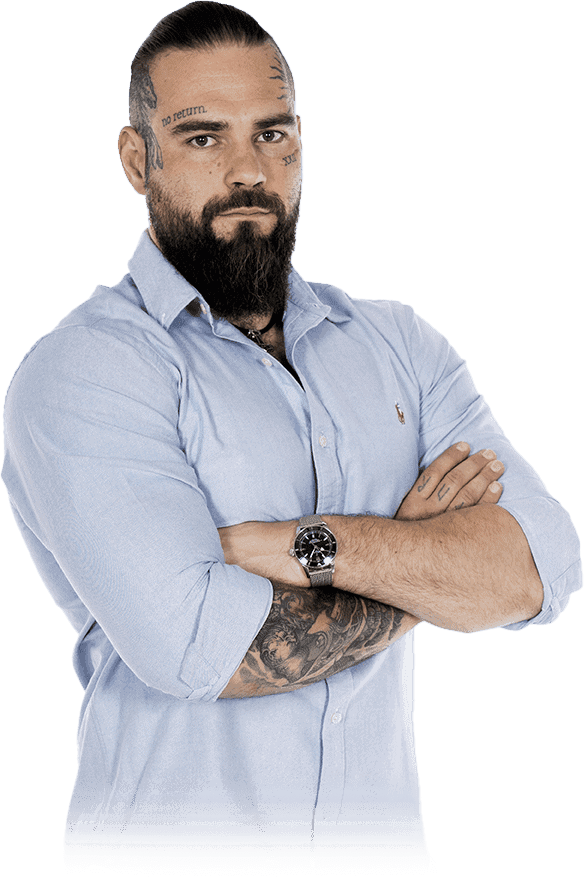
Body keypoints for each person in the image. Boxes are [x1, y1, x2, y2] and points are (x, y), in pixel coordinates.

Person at [1, 0, 581, 873]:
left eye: (272, 134)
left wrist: (299, 546)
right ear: (137, 159)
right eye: (203, 137)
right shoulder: (86, 369)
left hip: (380, 859)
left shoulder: (399, 345)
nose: (248, 170)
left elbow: (540, 570)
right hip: (167, 865)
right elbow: (202, 650)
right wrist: (421, 561)